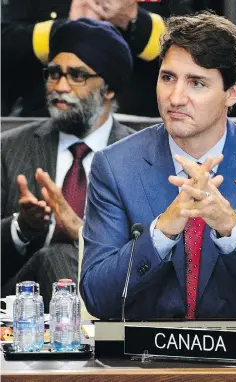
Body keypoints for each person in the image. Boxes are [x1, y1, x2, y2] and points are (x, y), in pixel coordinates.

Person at [80, 12, 236, 321]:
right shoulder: (115, 165)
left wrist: (230, 227)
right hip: (143, 359)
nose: (175, 97)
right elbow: (97, 298)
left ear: (233, 93)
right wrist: (162, 232)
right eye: (168, 78)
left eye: (196, 83)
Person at [1, 18, 136, 310]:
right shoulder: (8, 148)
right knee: (56, 255)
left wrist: (82, 233)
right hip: (20, 309)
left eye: (77, 75)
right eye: (53, 74)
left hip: (115, 300)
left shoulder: (139, 155)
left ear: (108, 88)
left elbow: (149, 255)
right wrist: (21, 228)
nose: (60, 87)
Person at [1, 0, 166, 117]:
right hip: (49, 119)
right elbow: (6, 44)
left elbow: (188, 41)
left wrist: (134, 19)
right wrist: (64, 28)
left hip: (140, 119)